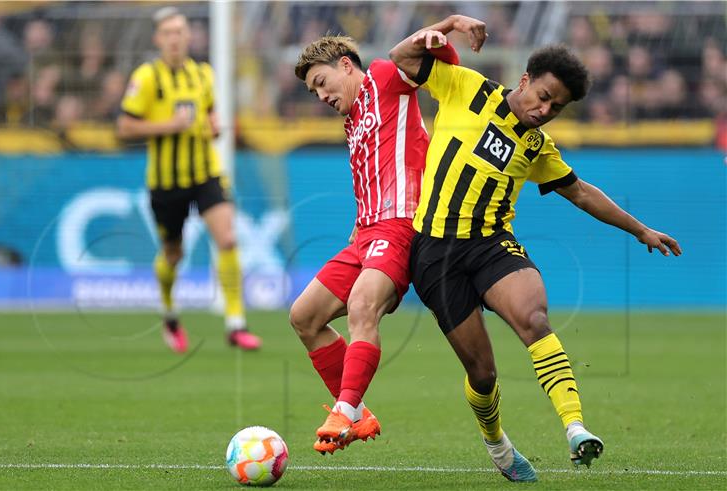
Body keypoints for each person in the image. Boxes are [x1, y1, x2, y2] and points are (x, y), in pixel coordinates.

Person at [390, 14, 682, 478]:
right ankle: (498, 444)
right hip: (436, 254)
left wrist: (640, 230)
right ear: (524, 80)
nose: (545, 110)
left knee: (535, 319)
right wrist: (443, 27)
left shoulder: (536, 146)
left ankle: (575, 428)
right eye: (544, 97)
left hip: (491, 245)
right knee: (483, 374)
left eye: (557, 107)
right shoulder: (467, 87)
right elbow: (399, 59)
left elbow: (581, 192)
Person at [290, 35, 430, 455]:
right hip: (367, 231)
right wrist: (358, 220)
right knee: (304, 316)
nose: (321, 95)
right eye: (314, 91)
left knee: (362, 306)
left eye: (322, 82)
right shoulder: (353, 121)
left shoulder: (387, 78)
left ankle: (344, 408)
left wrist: (447, 25)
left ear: (347, 65)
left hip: (400, 225)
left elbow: (422, 58)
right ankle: (359, 411)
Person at [117, 7, 261, 352]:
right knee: (173, 254)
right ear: (158, 39)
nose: (176, 38)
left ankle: (236, 323)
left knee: (227, 239)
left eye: (180, 31)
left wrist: (212, 127)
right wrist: (168, 126)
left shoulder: (203, 75)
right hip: (167, 183)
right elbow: (124, 127)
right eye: (168, 32)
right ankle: (168, 312)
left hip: (205, 173)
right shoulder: (147, 77)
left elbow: (210, 112)